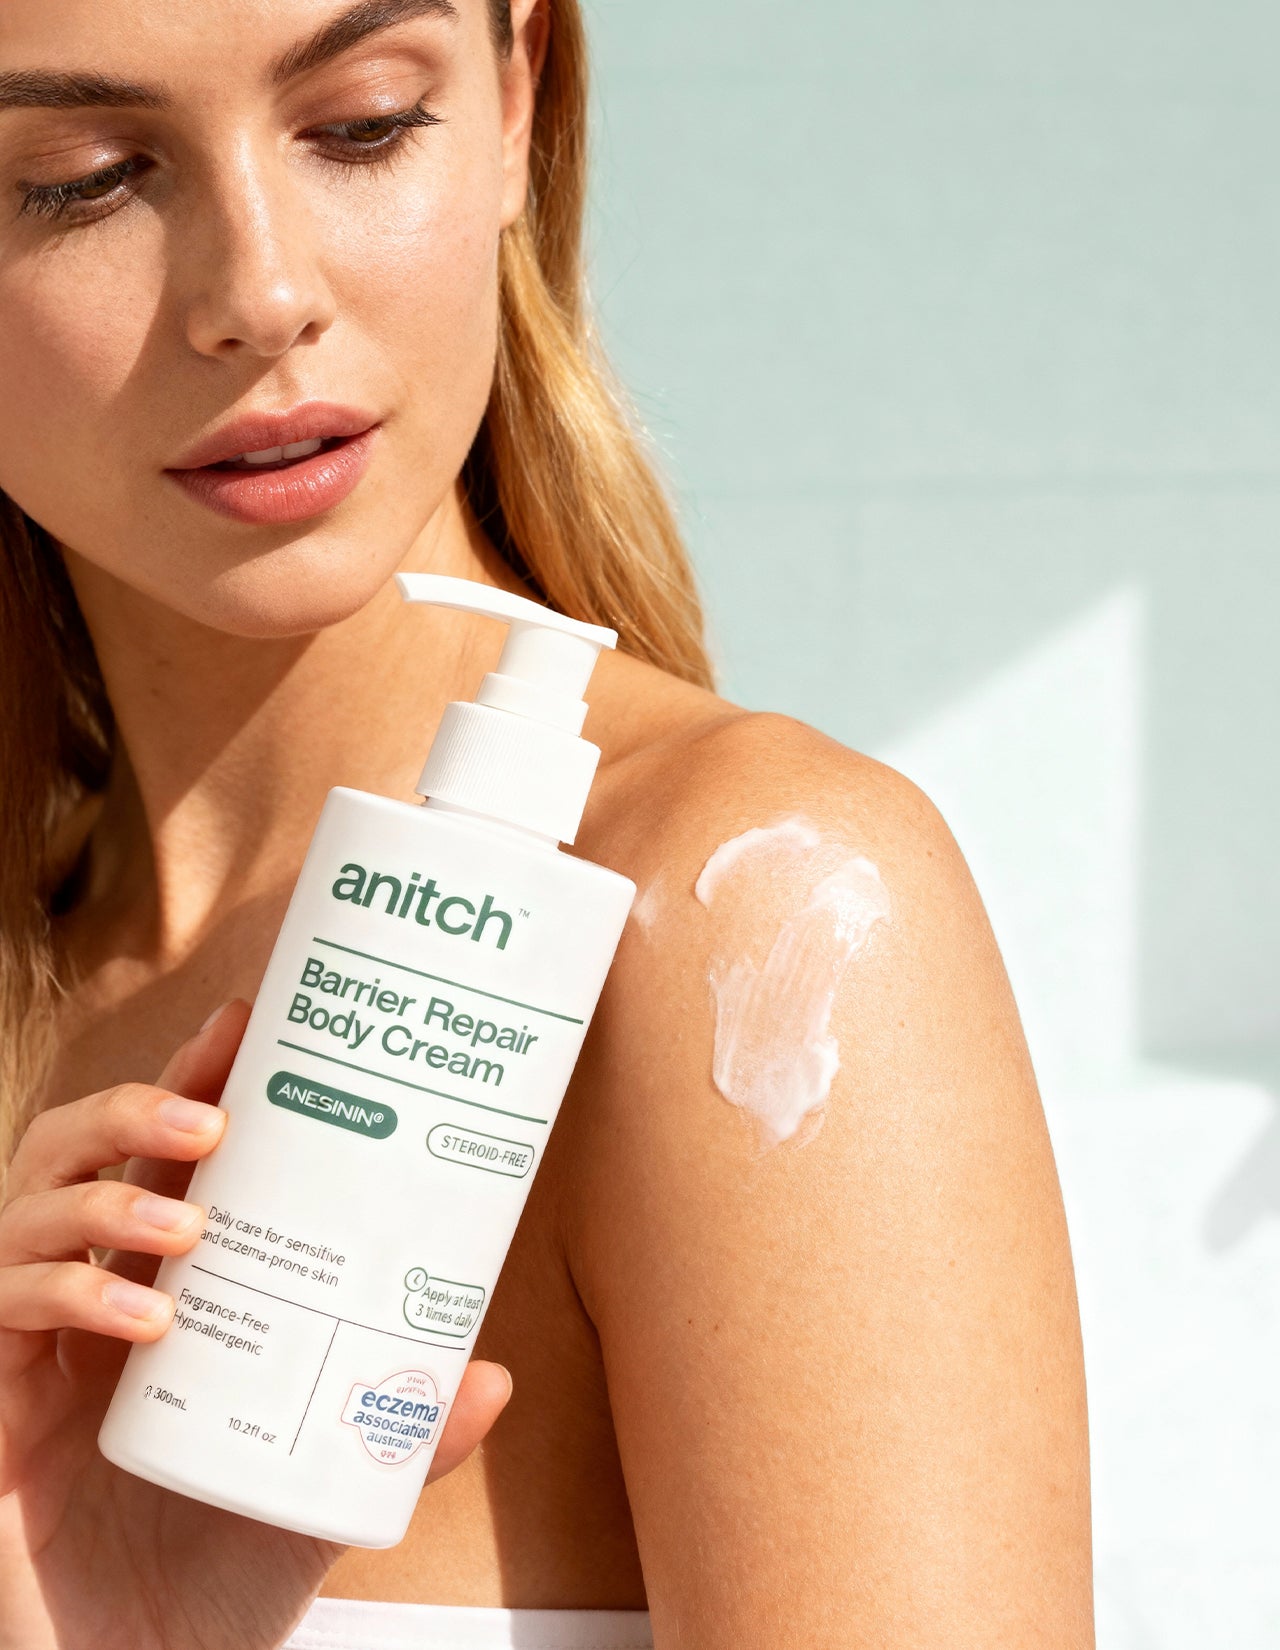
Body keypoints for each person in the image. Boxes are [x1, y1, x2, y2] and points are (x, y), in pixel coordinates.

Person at [0, 1, 1095, 1646]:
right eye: (85, 178)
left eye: (362, 122)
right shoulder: (37, 987)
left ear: (519, 100)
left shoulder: (755, 917)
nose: (262, 294)